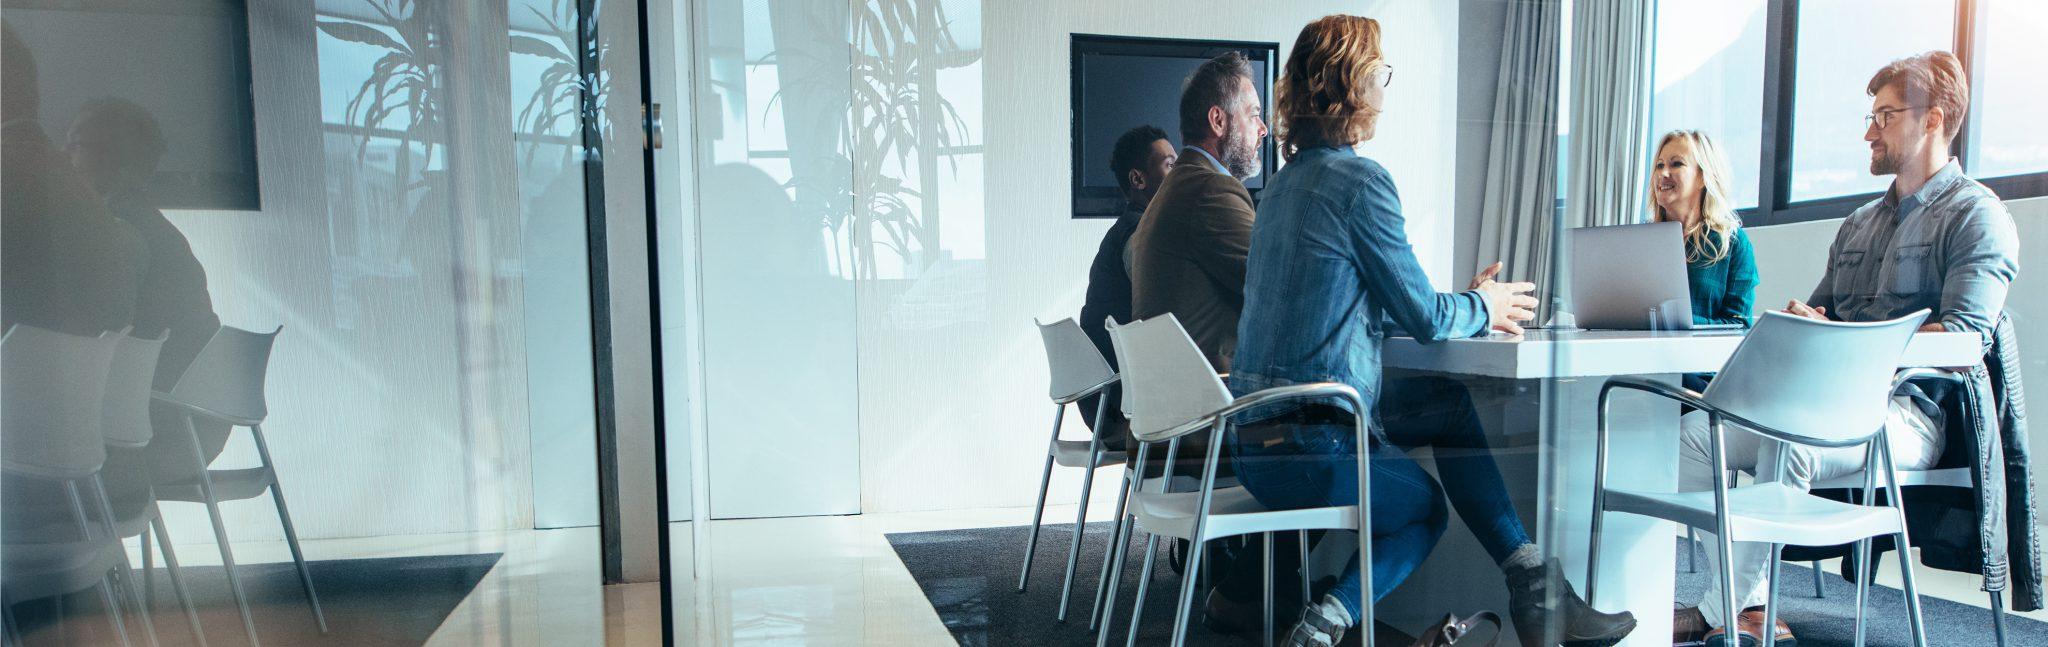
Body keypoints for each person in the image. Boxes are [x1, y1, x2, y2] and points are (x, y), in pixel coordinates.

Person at [1228, 16, 1636, 647]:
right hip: (1315, 447)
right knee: (1423, 511)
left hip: (1253, 445)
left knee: (1446, 405)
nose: (1386, 85)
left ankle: (1534, 586)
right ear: (1355, 83)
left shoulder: (1277, 191)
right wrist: (1483, 303)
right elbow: (1423, 317)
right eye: (1380, 71)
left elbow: (1358, 305)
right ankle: (1322, 626)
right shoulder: (1360, 182)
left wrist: (1464, 301)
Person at [1672, 50, 2018, 647]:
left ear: (1933, 120)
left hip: (1909, 412)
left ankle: (1718, 610)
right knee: (1689, 441)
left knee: (1787, 437)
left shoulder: (1978, 216)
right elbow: (1822, 314)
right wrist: (1806, 322)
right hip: (1821, 405)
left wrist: (1845, 342)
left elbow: (1965, 340)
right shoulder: (1858, 223)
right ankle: (1748, 603)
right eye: (1871, 116)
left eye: (1884, 117)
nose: (1868, 131)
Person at [65, 97, 227, 502]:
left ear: (108, 158)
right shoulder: (157, 230)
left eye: (74, 145)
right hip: (190, 427)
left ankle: (83, 562)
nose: (61, 157)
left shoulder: (120, 233)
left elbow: (93, 336)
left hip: (151, 437)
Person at [1126, 51, 1264, 479]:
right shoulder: (1211, 192)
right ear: (1219, 121)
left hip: (1168, 430)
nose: (1263, 129)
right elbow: (1278, 291)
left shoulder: (1175, 188)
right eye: (1255, 114)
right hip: (1208, 432)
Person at [1077, 125, 1175, 449]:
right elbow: (1163, 309)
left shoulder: (1128, 229)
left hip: (1106, 403)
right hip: (1123, 411)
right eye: (1169, 164)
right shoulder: (1139, 236)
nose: (1180, 174)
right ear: (1138, 179)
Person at [1647, 129, 1758, 393]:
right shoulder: (1643, 239)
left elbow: (1739, 327)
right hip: (1646, 363)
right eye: (1659, 165)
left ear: (1703, 177)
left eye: (1676, 164)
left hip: (1701, 376)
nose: (1662, 174)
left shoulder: (1733, 243)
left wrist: (1675, 322)